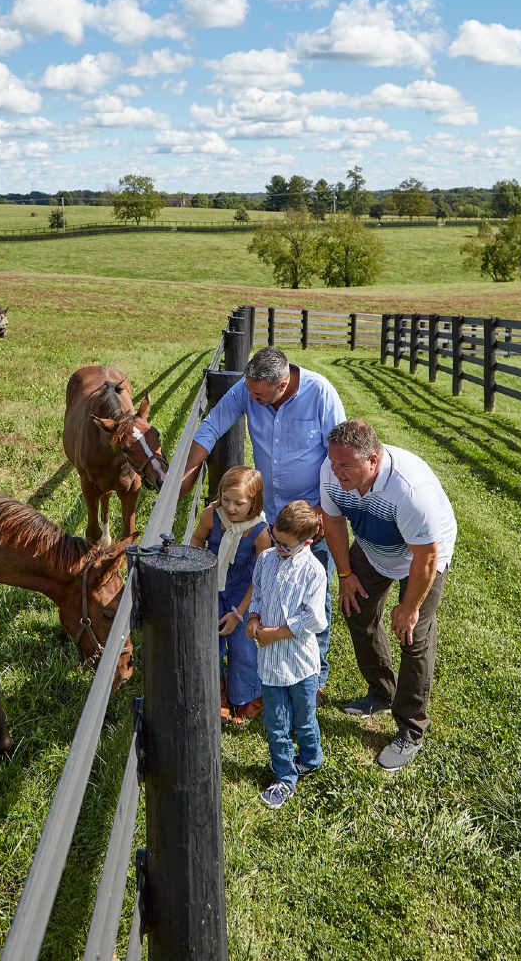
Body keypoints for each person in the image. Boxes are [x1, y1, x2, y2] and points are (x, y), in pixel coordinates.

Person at [181, 346, 346, 696]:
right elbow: (212, 426)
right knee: (269, 589)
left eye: (258, 393)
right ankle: (270, 670)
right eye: (249, 390)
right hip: (269, 514)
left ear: (282, 384)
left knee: (312, 595)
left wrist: (323, 510)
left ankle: (313, 678)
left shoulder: (320, 393)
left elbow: (337, 456)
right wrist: (187, 473)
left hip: (310, 517)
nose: (250, 397)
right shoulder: (248, 389)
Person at [319, 420, 457, 772]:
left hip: (420, 555)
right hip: (372, 546)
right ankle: (381, 693)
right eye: (333, 464)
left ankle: (411, 730)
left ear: (373, 462)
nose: (336, 473)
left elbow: (426, 556)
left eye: (345, 466)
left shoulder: (410, 490)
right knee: (356, 610)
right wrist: (345, 574)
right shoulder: (332, 470)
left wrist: (409, 607)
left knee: (413, 634)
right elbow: (332, 521)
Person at [246, 500, 328, 810]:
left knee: (305, 720)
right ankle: (285, 777)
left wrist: (276, 633)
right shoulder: (266, 558)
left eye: (286, 545)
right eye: (275, 538)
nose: (278, 547)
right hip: (270, 665)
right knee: (276, 723)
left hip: (301, 664)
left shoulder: (313, 571)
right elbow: (258, 594)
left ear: (307, 542)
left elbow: (314, 619)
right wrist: (253, 620)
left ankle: (310, 757)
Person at [189, 466, 271, 724]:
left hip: (242, 592)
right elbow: (196, 539)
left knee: (243, 645)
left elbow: (259, 578)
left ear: (253, 502)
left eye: (239, 503)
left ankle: (247, 696)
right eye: (226, 500)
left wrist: (239, 613)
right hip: (211, 586)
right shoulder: (212, 516)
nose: (231, 508)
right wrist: (197, 571)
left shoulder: (260, 532)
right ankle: (217, 695)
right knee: (210, 643)